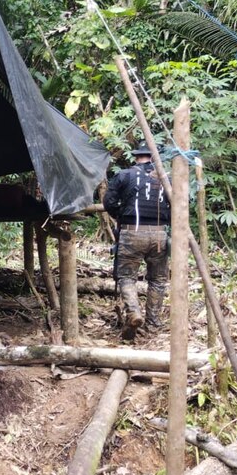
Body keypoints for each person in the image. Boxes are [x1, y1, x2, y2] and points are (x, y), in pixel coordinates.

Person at [102, 141, 170, 340]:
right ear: (154, 157)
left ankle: (134, 312)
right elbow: (177, 204)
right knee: (158, 280)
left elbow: (109, 202)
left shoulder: (125, 175)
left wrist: (121, 216)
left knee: (126, 277)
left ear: (136, 156)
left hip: (132, 232)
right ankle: (153, 324)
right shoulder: (166, 179)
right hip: (159, 234)